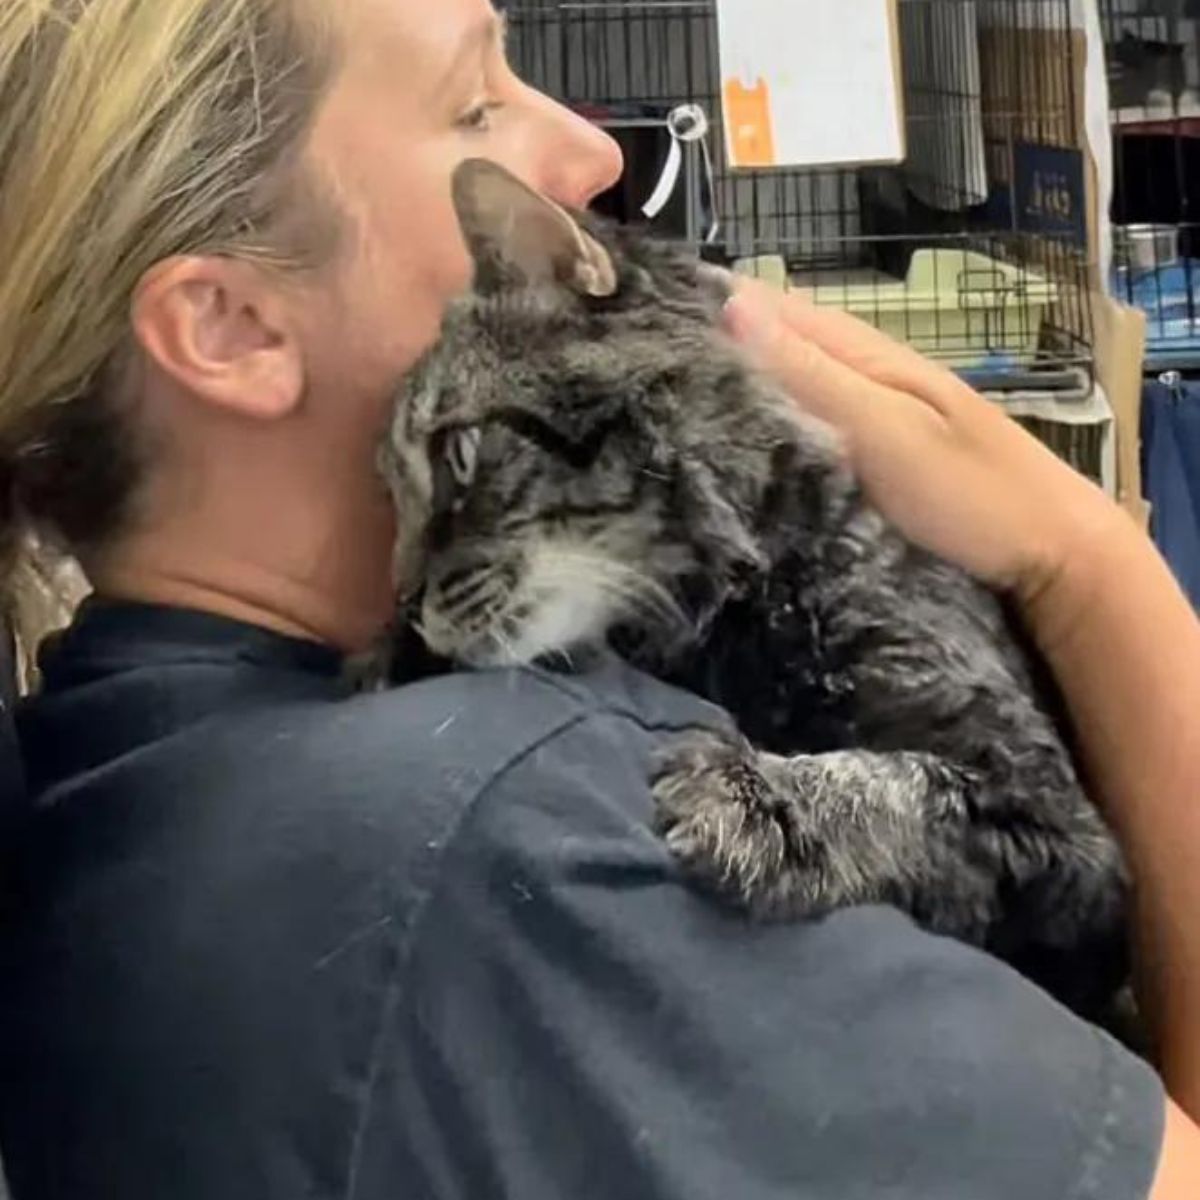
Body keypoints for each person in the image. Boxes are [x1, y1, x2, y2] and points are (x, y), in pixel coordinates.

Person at [0, 0, 1196, 1197]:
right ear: (232, 326)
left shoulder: (105, 746)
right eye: (477, 103)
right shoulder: (512, 836)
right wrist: (1084, 560)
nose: (596, 150)